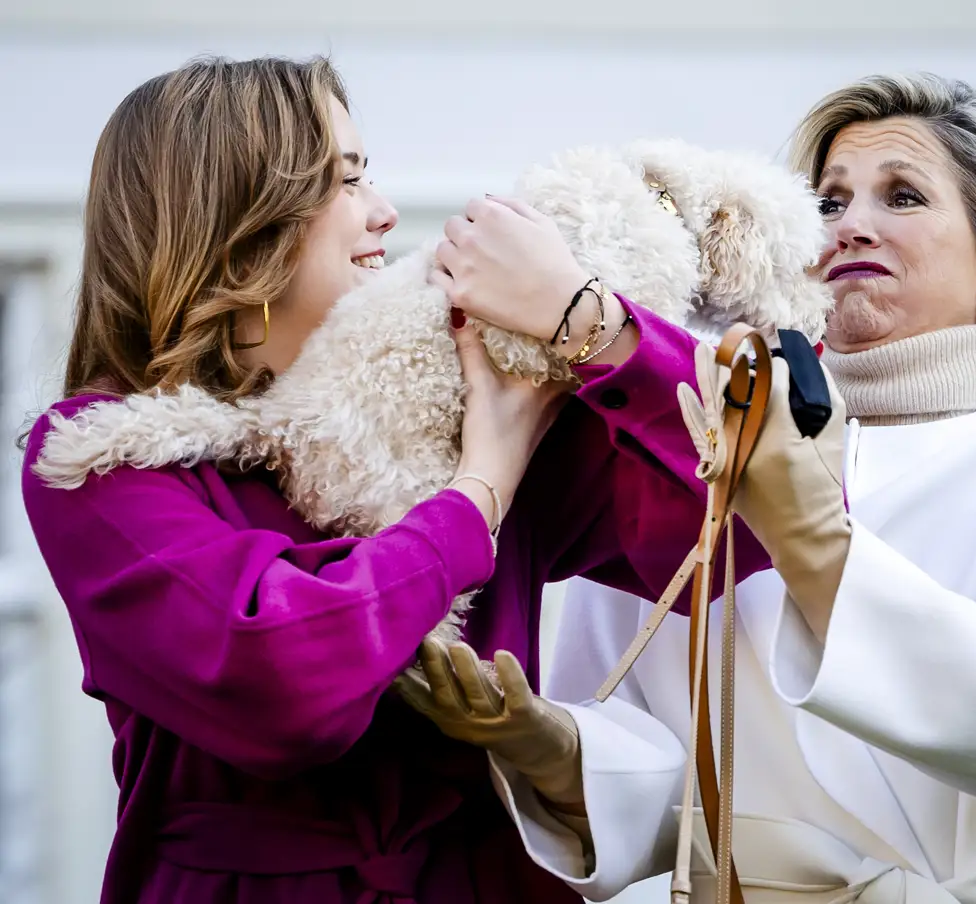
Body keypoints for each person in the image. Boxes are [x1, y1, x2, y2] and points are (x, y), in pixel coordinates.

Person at [403, 73, 976, 903]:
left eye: (903, 196)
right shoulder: (687, 434)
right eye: (830, 202)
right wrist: (562, 750)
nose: (850, 227)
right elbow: (665, 777)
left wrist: (813, 539)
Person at [19, 56, 768, 904]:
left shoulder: (469, 396)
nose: (383, 213)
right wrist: (480, 489)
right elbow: (283, 681)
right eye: (343, 183)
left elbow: (748, 530)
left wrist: (589, 322)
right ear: (240, 224)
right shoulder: (97, 459)